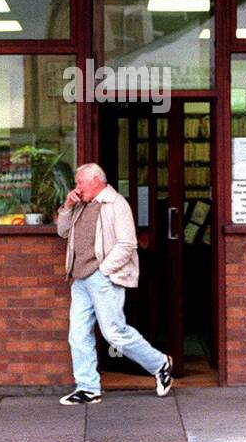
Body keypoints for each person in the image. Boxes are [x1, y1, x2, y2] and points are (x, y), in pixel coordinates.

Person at [55, 163, 172, 405]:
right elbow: (62, 231)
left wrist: (104, 270)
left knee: (114, 333)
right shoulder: (80, 205)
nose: (76, 187)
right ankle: (88, 388)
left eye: (80, 182)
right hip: (80, 279)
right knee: (77, 334)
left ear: (96, 180)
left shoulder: (115, 204)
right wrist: (67, 206)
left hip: (102, 277)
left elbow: (128, 244)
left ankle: (159, 363)